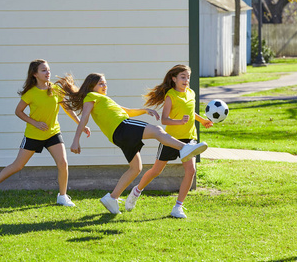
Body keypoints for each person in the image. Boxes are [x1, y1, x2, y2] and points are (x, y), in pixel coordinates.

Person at [56, 73, 208, 214]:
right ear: (91, 86)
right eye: (101, 83)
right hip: (123, 126)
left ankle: (112, 197)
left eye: (105, 83)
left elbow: (126, 111)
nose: (104, 86)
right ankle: (184, 148)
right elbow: (85, 117)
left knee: (136, 168)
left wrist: (144, 111)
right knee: (156, 130)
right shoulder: (91, 96)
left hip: (118, 135)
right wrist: (76, 140)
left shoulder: (103, 100)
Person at [0, 59, 91, 206]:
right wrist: (35, 123)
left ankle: (62, 196)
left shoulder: (56, 89)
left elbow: (67, 108)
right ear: (35, 74)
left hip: (53, 133)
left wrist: (80, 124)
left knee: (63, 163)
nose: (48, 72)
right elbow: (18, 111)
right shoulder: (30, 93)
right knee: (17, 166)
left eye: (48, 69)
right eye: (43, 70)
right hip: (33, 135)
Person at [125, 64, 213, 218]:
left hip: (190, 138)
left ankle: (178, 207)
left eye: (188, 77)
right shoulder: (170, 96)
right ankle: (136, 191)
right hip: (171, 139)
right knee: (156, 170)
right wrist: (179, 121)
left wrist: (202, 120)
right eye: (182, 77)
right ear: (174, 79)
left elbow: (190, 111)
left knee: (191, 171)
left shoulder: (191, 93)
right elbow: (165, 119)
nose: (186, 80)